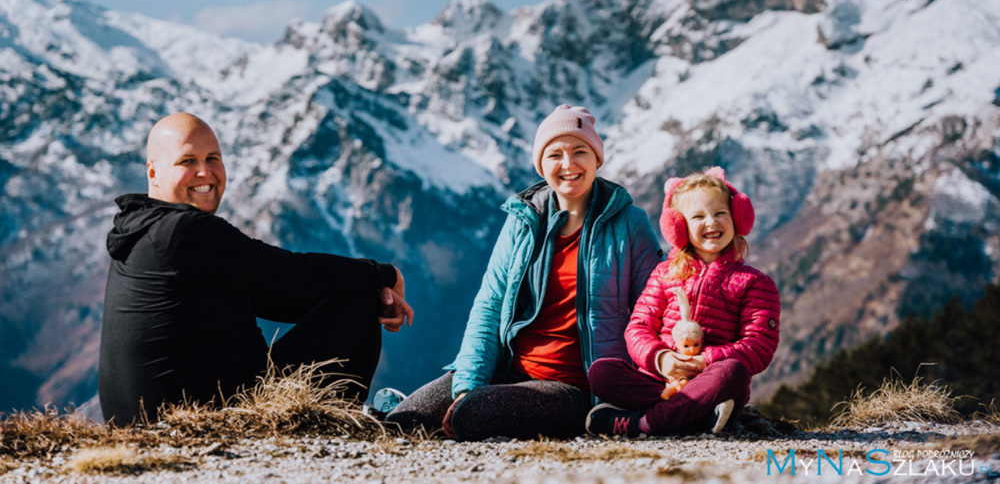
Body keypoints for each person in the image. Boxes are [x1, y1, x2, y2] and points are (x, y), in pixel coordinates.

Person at [98, 112, 413, 426]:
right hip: (202, 420)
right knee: (360, 304)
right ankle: (333, 427)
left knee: (357, 294)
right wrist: (384, 274)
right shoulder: (183, 231)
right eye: (187, 162)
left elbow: (279, 296)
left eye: (213, 158)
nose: (205, 171)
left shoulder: (146, 233)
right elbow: (294, 275)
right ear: (154, 173)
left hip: (152, 419)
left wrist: (368, 286)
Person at [382, 104, 662, 440]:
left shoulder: (629, 223)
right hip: (507, 370)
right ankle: (411, 409)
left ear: (597, 159)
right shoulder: (524, 220)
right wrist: (467, 385)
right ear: (541, 165)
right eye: (555, 154)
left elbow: (654, 309)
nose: (568, 164)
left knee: (474, 413)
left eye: (580, 151)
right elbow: (490, 305)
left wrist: (648, 387)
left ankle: (477, 413)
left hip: (573, 387)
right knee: (400, 423)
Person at [586, 167, 780, 438]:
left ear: (738, 217)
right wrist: (661, 358)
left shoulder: (756, 283)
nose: (711, 222)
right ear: (679, 227)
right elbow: (638, 327)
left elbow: (759, 346)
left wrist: (705, 361)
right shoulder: (664, 274)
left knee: (733, 371)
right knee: (602, 372)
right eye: (698, 216)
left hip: (712, 381)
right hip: (661, 380)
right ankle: (694, 418)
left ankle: (644, 424)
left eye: (720, 213)